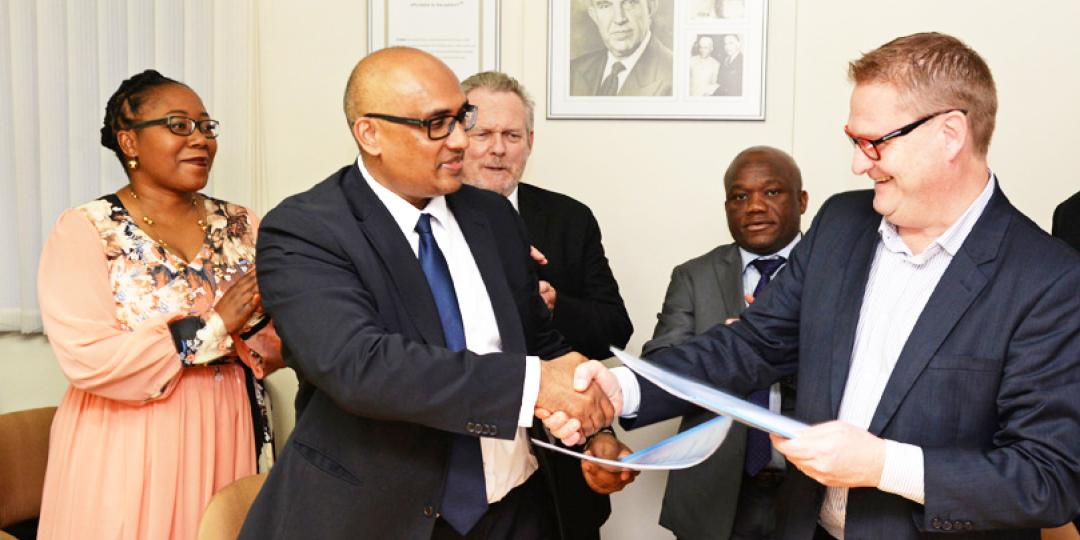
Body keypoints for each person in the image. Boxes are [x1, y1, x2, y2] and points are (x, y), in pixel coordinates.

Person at [550, 32, 1080, 539]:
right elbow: (750, 345)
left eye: (874, 143)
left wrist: (882, 465)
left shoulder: (1048, 279)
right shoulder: (840, 225)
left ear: (950, 135)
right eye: (854, 142)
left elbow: (1047, 481)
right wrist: (623, 387)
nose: (857, 164)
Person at [239, 48, 622, 540]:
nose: (462, 140)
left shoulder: (494, 216)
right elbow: (361, 366)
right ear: (369, 133)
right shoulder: (306, 229)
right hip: (378, 516)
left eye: (463, 117)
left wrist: (592, 411)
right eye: (437, 124)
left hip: (516, 508)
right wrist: (533, 387)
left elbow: (536, 341)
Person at [36, 69, 283, 540]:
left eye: (206, 127)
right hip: (128, 437)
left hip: (228, 422)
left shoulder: (243, 223)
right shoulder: (86, 229)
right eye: (178, 125)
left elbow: (275, 342)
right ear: (129, 142)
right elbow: (88, 358)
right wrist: (215, 326)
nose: (200, 140)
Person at [459, 70, 636, 539]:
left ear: (530, 141)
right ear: (458, 136)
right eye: (483, 134)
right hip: (455, 467)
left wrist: (551, 307)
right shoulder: (425, 218)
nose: (497, 148)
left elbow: (615, 328)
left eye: (511, 135)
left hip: (558, 460)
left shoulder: (568, 218)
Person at [645, 146, 806, 540]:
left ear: (801, 200)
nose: (754, 206)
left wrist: (774, 346)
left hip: (810, 488)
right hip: (715, 490)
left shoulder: (836, 273)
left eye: (772, 192)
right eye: (740, 196)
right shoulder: (693, 276)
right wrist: (729, 345)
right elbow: (661, 367)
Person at [570, 0, 673, 97]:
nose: (619, 19)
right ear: (594, 16)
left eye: (630, 2)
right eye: (605, 5)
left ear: (650, 7)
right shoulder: (572, 71)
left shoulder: (676, 74)